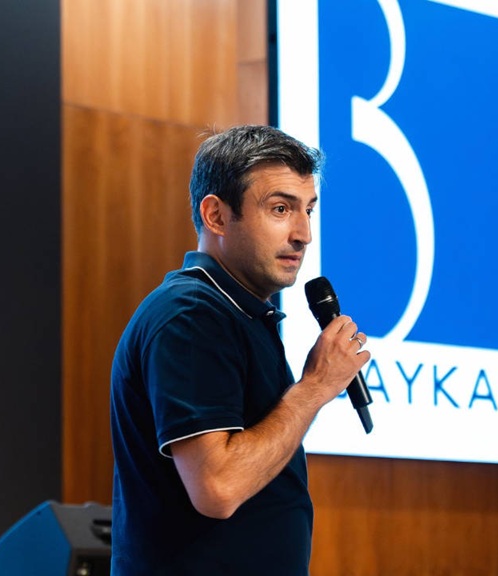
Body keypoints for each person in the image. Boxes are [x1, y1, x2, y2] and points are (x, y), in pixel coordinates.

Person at [109, 125, 370, 575]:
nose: (304, 233)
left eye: (308, 210)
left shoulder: (239, 314)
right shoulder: (191, 315)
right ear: (216, 216)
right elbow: (218, 487)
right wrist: (315, 387)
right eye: (281, 208)